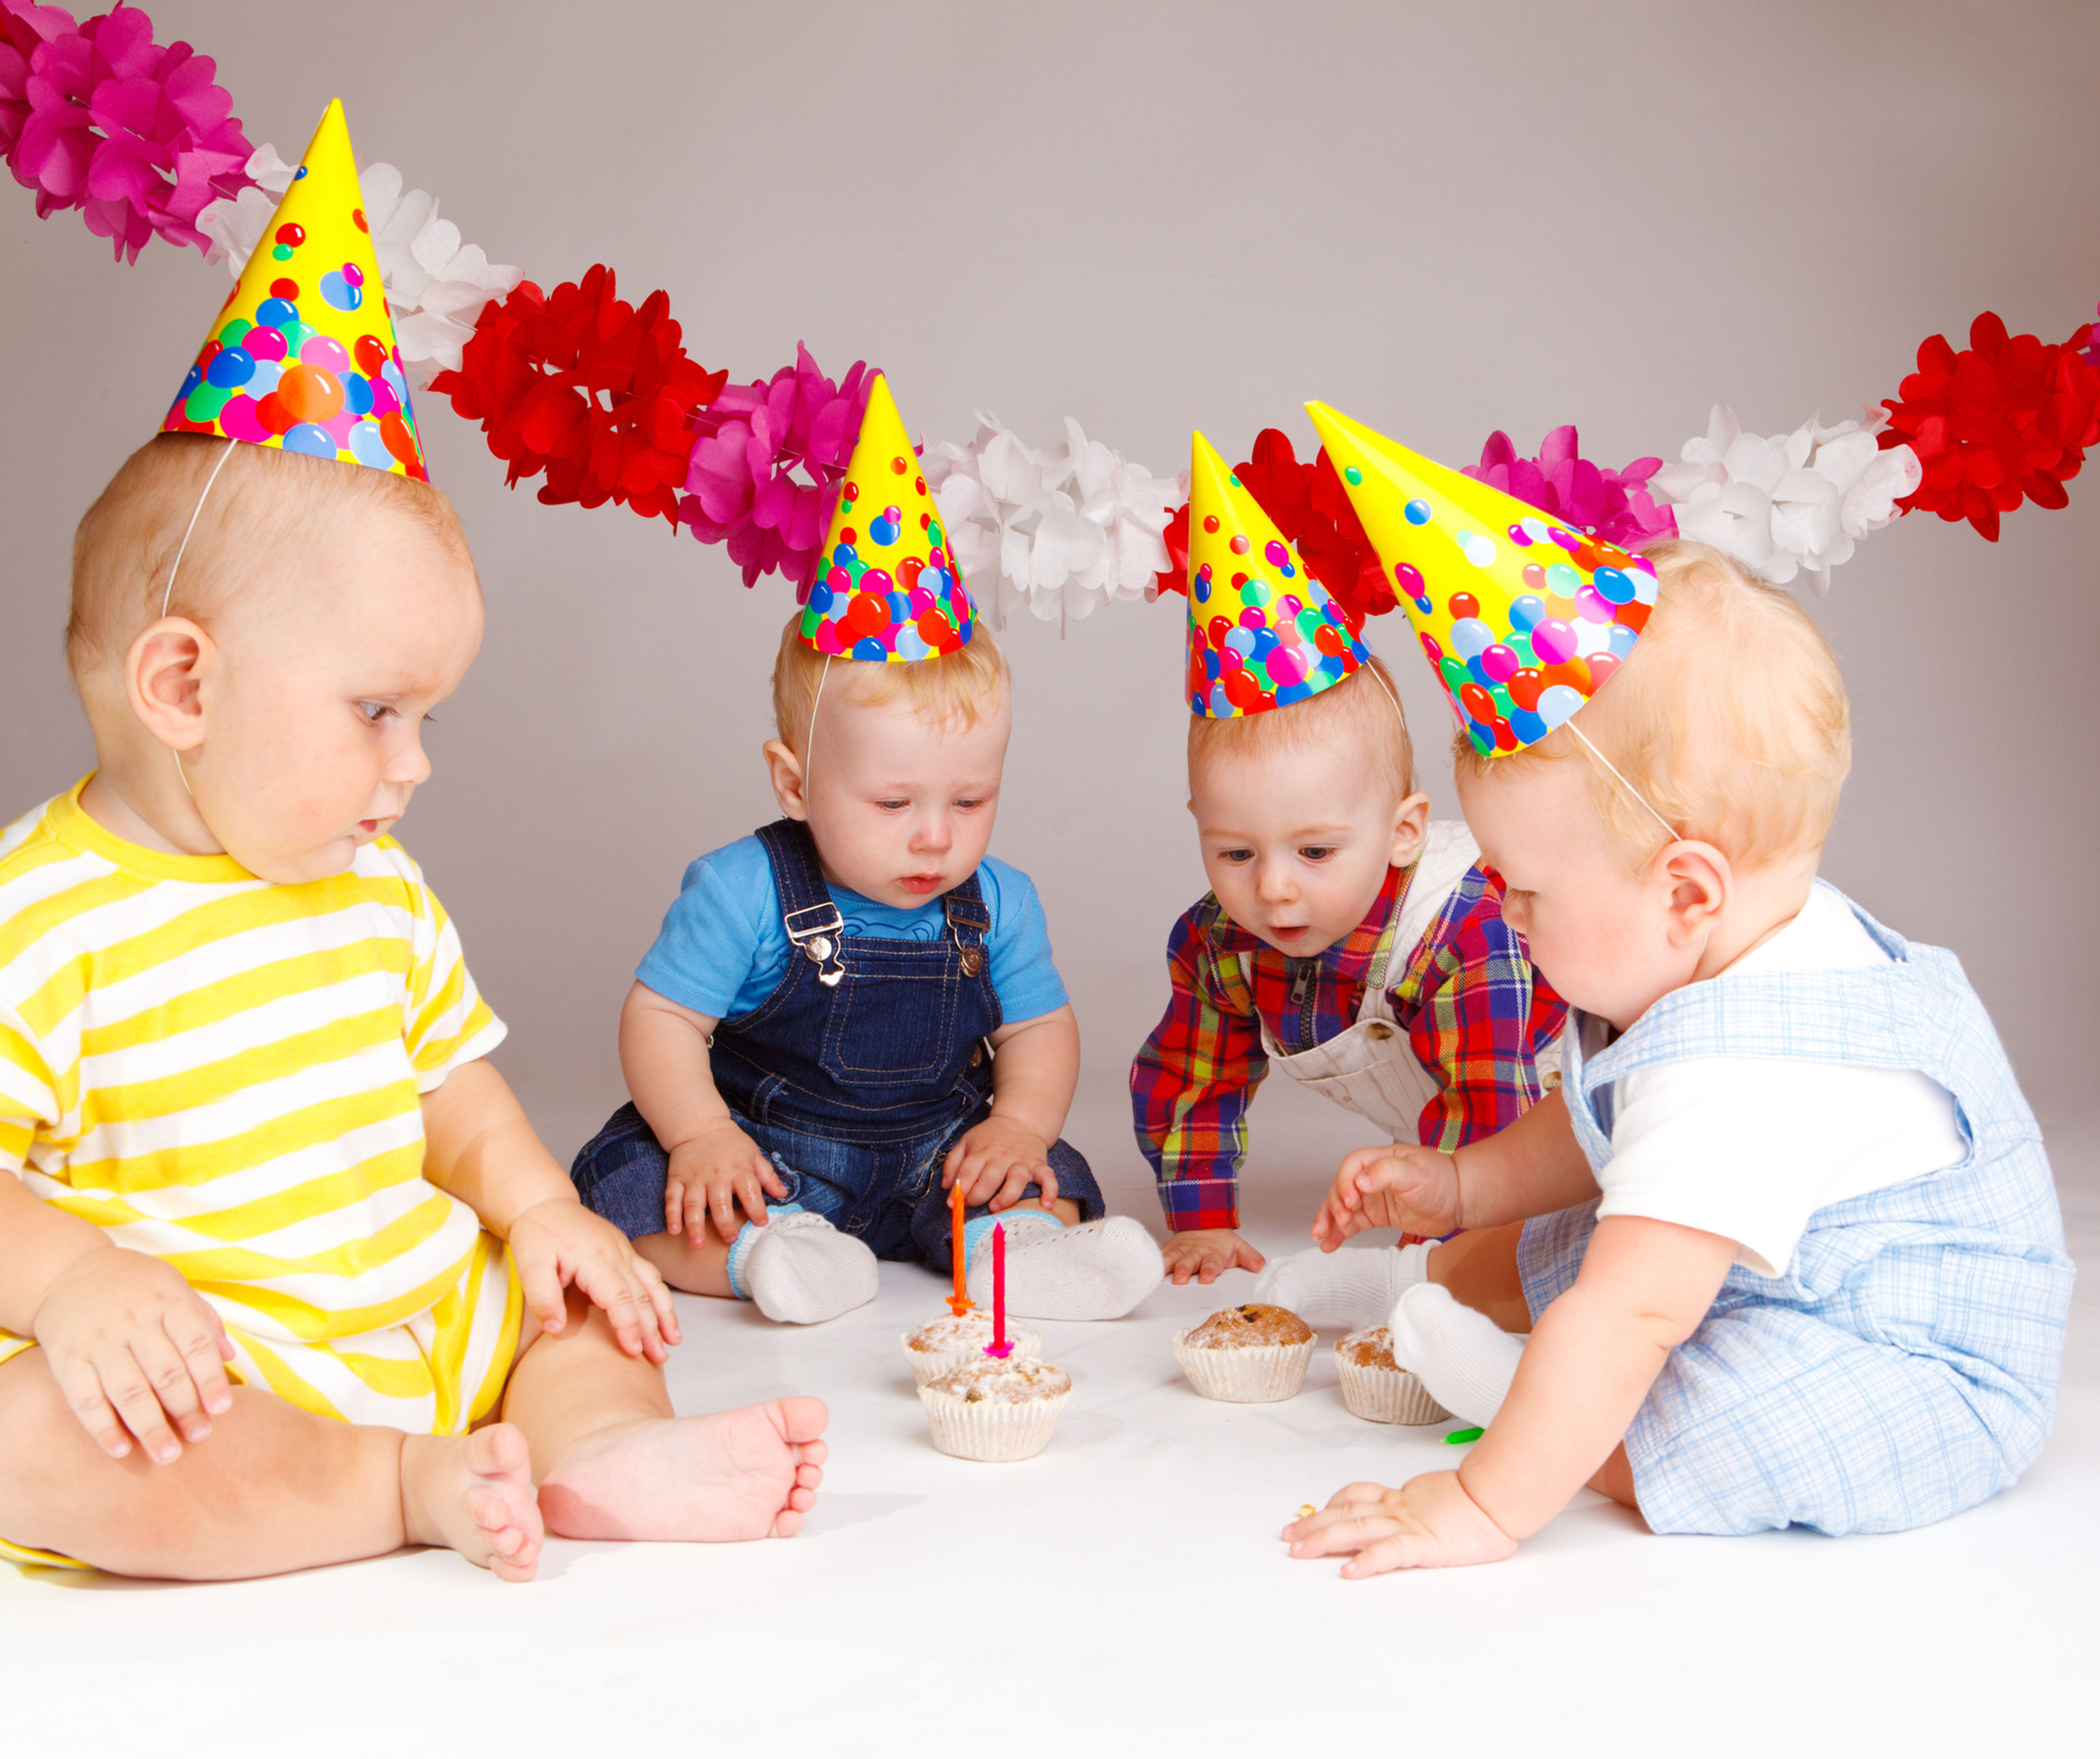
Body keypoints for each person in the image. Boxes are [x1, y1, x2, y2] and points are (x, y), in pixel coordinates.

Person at [1279, 508, 2069, 1567]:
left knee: (1688, 1407)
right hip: (1787, 1266)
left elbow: (1629, 1314)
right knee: (1562, 1239)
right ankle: (1411, 1294)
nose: (1504, 913)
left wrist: (1473, 1502)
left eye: (1526, 889)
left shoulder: (1745, 1075)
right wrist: (1465, 1187)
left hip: (1909, 1350)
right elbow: (1609, 1120)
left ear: (1686, 889)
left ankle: (1517, 1400)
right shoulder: (1725, 938)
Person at [571, 376, 1158, 1326]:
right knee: (649, 1192)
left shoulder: (997, 901)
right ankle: (769, 1252)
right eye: (893, 802)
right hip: (769, 1151)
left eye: (971, 798)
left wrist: (1016, 1124)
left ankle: (1017, 1249)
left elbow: (1039, 1029)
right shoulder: (746, 888)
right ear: (794, 782)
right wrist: (704, 1134)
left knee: (1040, 1176)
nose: (937, 833)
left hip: (940, 1152)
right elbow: (663, 1017)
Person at [1131, 433, 1565, 1309]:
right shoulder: (1219, 941)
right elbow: (1192, 1075)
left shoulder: (1467, 929)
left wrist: (1435, 1258)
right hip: (1446, 1136)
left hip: (1552, 1113)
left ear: (1405, 830)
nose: (1274, 888)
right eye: (1236, 852)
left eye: (1316, 851)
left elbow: (1488, 1107)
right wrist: (1201, 1216)